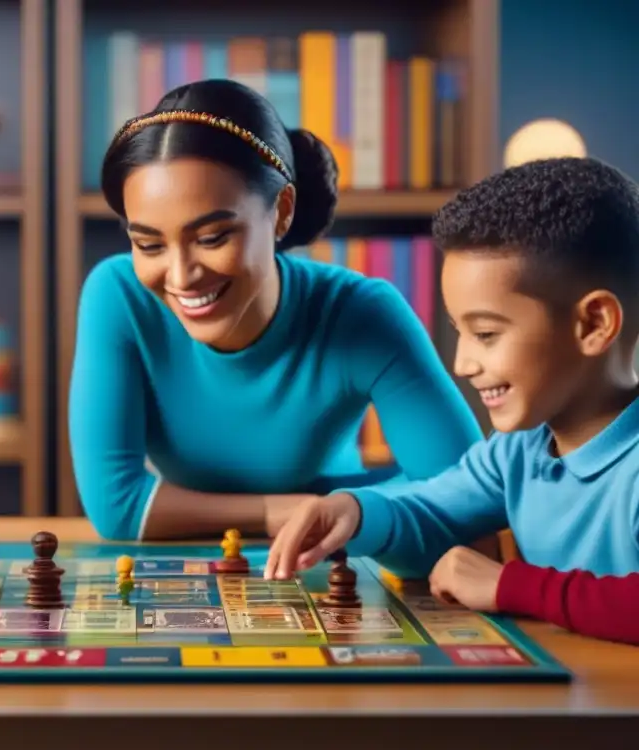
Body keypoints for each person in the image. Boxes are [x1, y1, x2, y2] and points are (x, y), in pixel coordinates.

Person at [69, 79, 482, 542]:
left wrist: (352, 511)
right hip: (222, 556)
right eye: (149, 244)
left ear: (281, 210)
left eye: (212, 238)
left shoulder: (362, 315)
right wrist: (289, 512)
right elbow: (118, 507)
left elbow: (465, 493)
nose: (181, 276)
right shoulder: (118, 294)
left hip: (341, 551)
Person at [265, 156, 639, 645]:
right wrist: (354, 513)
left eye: (486, 333)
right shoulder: (519, 449)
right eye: (461, 331)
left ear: (593, 325)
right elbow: (434, 511)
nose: (462, 363)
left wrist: (512, 586)